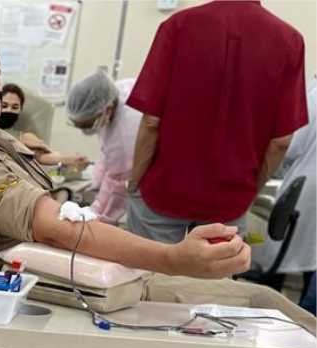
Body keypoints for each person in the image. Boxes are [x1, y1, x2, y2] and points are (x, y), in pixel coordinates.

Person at [0, 27, 315, 332]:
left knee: (261, 302)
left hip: (78, 276)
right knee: (261, 303)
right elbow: (57, 229)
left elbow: (35, 178)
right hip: (57, 292)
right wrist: (174, 259)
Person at [126, 0, 308, 244]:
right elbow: (281, 142)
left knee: (149, 277)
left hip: (165, 189)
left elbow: (151, 121)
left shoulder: (178, 25)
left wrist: (134, 181)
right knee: (212, 280)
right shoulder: (290, 41)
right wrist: (250, 191)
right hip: (229, 200)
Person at [251, 78, 316, 313]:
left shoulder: (311, 96)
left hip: (306, 191)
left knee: (285, 259)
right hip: (307, 194)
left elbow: (289, 146)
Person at [66, 71, 142, 225]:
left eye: (87, 125)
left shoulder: (126, 130)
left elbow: (118, 181)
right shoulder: (112, 94)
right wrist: (96, 183)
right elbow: (106, 148)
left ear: (106, 110)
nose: (85, 131)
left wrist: (96, 214)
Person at [0, 83, 88, 169]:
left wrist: (68, 159)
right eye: (4, 105)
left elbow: (42, 155)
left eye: (15, 107)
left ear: (20, 110)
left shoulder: (26, 137)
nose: (9, 110)